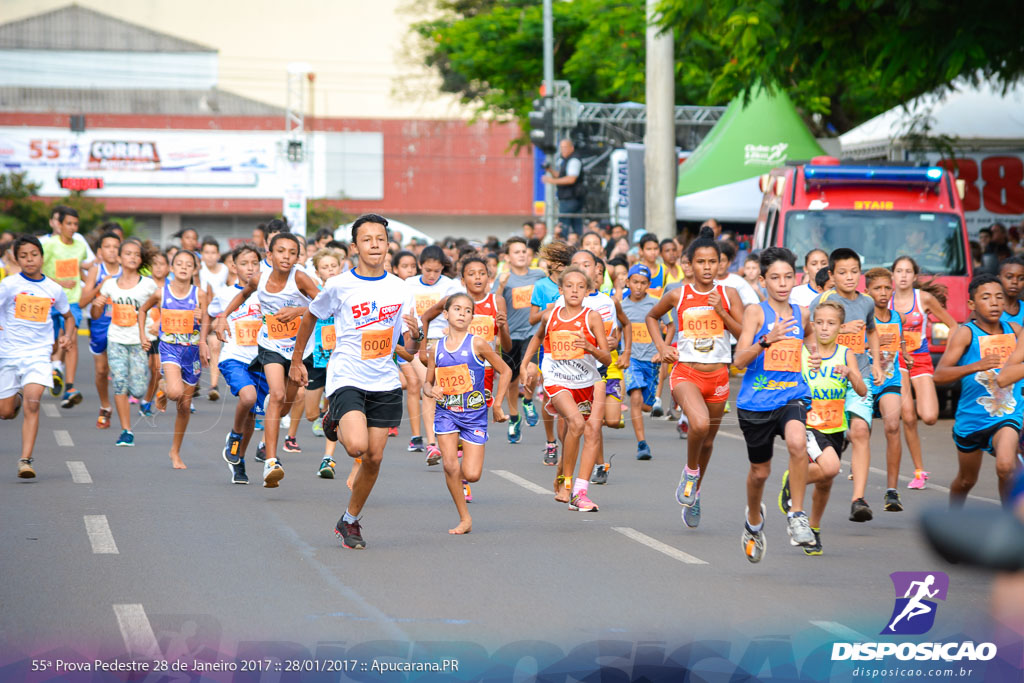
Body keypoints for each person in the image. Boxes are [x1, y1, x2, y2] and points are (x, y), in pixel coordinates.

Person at [289, 213, 423, 550]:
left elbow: (409, 344)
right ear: (354, 247)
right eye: (367, 239)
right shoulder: (338, 285)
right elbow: (310, 317)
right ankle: (334, 415)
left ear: (388, 245)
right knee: (356, 447)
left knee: (374, 458)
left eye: (380, 238)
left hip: (384, 380)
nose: (375, 244)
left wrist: (418, 338)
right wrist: (295, 360)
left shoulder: (400, 288)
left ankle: (350, 520)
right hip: (347, 375)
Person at [648, 227, 744, 527]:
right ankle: (690, 473)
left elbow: (744, 334)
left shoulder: (729, 295)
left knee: (708, 441)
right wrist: (662, 346)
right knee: (699, 424)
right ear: (690, 264)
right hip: (686, 372)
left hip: (718, 377)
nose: (706, 267)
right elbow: (652, 317)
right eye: (700, 262)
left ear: (721, 264)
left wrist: (723, 313)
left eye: (712, 262)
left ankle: (695, 492)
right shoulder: (679, 294)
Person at [734, 247, 818, 562]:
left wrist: (814, 349)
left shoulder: (802, 312)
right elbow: (739, 360)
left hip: (791, 396)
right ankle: (753, 521)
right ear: (763, 281)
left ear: (795, 279)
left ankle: (797, 514)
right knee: (760, 471)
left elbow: (810, 337)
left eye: (787, 277)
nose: (782, 283)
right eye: (775, 278)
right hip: (755, 403)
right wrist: (766, 340)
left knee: (798, 442)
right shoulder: (756, 312)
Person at [220, 233, 319, 486]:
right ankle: (271, 461)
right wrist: (223, 316)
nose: (286, 256)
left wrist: (298, 310)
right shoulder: (259, 279)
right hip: (270, 345)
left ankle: (268, 427)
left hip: (299, 350)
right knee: (275, 396)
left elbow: (324, 303)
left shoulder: (300, 278)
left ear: (297, 257)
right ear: (270, 255)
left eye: (292, 252)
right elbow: (243, 294)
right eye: (281, 251)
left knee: (285, 405)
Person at [522, 266, 611, 510]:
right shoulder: (550, 315)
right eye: (569, 286)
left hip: (584, 382)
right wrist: (525, 363)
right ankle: (569, 486)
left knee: (578, 428)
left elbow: (607, 359)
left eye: (580, 287)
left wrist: (590, 348)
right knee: (577, 424)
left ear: (588, 291)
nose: (574, 290)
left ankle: (566, 477)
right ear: (560, 290)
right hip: (555, 378)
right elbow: (538, 337)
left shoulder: (592, 317)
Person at [423, 293, 511, 533]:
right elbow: (427, 384)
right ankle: (465, 518)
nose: (462, 313)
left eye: (468, 310)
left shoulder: (478, 344)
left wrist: (498, 404)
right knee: (450, 466)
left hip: (474, 415)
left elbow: (506, 370)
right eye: (457, 309)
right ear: (446, 314)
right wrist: (433, 390)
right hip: (446, 413)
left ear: (473, 316)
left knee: (471, 475)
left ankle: (461, 460)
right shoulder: (436, 348)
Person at [789, 299, 868, 555]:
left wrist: (850, 373)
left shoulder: (846, 354)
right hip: (809, 425)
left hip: (836, 427)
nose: (824, 328)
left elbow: (862, 390)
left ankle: (814, 529)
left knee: (825, 482)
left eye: (831, 324)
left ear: (840, 327)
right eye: (819, 322)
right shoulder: (803, 353)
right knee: (831, 467)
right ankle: (792, 482)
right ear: (813, 324)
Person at [810, 248, 884, 522]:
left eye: (854, 272)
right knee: (837, 434)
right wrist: (841, 329)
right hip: (829, 378)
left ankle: (858, 500)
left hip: (858, 373)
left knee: (862, 430)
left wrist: (876, 363)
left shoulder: (866, 302)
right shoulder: (823, 300)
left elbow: (873, 331)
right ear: (831, 274)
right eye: (842, 272)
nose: (849, 277)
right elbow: (810, 335)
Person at [937, 273, 1022, 504]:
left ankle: (1010, 525)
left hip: (1007, 413)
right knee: (966, 480)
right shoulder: (966, 333)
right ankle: (953, 521)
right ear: (972, 305)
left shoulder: (1014, 331)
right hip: (972, 418)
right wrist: (976, 366)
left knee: (1006, 466)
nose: (994, 303)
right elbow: (940, 375)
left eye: (998, 297)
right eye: (986, 298)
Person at [0, 235, 76, 478]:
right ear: (16, 258)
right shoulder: (9, 285)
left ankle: (25, 460)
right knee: (5, 412)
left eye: (34, 254)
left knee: (35, 401)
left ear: (42, 257)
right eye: (23, 256)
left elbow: (68, 316)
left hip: (38, 354)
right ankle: (17, 398)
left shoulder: (53, 288)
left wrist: (68, 336)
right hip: (9, 353)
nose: (29, 259)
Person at [890, 255, 959, 490]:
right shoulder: (885, 301)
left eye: (908, 271)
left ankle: (919, 469)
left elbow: (953, 325)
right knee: (908, 416)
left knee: (929, 417)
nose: (903, 276)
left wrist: (949, 356)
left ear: (914, 276)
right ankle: (919, 471)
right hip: (896, 360)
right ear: (892, 276)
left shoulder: (924, 299)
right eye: (899, 271)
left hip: (920, 360)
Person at [138, 250, 210, 468]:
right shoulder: (162, 293)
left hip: (192, 352)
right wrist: (143, 335)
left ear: (195, 269)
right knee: (175, 392)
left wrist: (203, 336)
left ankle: (175, 451)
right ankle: (163, 387)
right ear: (172, 267)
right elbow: (141, 310)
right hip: (169, 349)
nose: (184, 267)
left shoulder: (200, 294)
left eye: (189, 264)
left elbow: (206, 319)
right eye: (179, 263)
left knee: (184, 406)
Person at [209, 244, 268, 484]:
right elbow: (212, 320)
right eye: (244, 264)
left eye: (255, 263)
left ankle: (239, 460)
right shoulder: (224, 294)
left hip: (261, 358)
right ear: (234, 267)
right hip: (234, 357)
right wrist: (214, 329)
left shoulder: (266, 292)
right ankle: (234, 435)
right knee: (248, 398)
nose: (250, 268)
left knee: (253, 415)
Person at [614, 264, 673, 482]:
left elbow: (671, 325)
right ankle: (642, 443)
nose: (638, 287)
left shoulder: (655, 304)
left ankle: (655, 405)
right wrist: (619, 350)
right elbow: (618, 330)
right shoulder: (622, 305)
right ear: (627, 282)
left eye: (643, 283)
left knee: (647, 403)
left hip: (652, 361)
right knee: (636, 398)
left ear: (649, 285)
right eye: (634, 282)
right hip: (632, 361)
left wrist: (663, 348)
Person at [96, 239, 156, 447]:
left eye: (136, 254)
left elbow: (160, 307)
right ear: (119, 258)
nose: (132, 257)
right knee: (120, 383)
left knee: (138, 389)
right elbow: (96, 314)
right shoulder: (109, 284)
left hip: (139, 340)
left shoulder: (148, 284)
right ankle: (126, 430)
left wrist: (155, 325)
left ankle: (136, 396)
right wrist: (98, 304)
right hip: (116, 340)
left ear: (141, 259)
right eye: (128, 253)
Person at [408, 245, 464, 465]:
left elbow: (460, 310)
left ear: (443, 268)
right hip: (421, 343)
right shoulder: (409, 285)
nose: (432, 275)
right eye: (428, 270)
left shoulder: (451, 286)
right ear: (420, 265)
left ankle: (452, 437)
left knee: (449, 391)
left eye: (437, 271)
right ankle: (432, 444)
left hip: (446, 343)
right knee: (429, 388)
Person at [864, 268, 909, 511]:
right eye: (877, 288)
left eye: (886, 288)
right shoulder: (861, 318)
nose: (883, 293)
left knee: (893, 426)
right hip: (864, 381)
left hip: (889, 380)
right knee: (861, 431)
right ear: (867, 291)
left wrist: (907, 356)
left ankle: (892, 491)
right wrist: (868, 342)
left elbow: (900, 345)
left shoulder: (897, 318)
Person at [494, 237, 546, 442]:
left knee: (531, 370)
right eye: (516, 252)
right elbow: (494, 302)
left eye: (524, 251)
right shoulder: (503, 278)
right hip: (510, 334)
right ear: (507, 257)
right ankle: (514, 417)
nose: (522, 254)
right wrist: (501, 287)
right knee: (512, 379)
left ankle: (528, 400)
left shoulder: (539, 275)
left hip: (533, 332)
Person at [530, 240, 576, 464]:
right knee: (550, 396)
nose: (558, 265)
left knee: (569, 395)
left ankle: (567, 441)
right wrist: (548, 310)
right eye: (554, 260)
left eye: (562, 261)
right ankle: (551, 443)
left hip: (572, 348)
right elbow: (532, 319)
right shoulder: (541, 286)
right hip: (548, 347)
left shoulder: (574, 285)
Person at [41, 206, 87, 408]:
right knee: (52, 343)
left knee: (72, 340)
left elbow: (79, 269)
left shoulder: (80, 246)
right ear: (59, 224)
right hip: (50, 300)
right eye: (69, 223)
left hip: (72, 301)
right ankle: (55, 367)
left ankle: (69, 387)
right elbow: (39, 273)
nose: (72, 227)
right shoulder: (48, 245)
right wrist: (58, 283)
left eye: (75, 224)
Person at [79, 230, 121, 429]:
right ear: (100, 251)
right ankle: (105, 405)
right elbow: (82, 302)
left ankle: (125, 411)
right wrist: (101, 286)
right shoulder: (97, 271)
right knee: (101, 370)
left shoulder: (127, 269)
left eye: (115, 247)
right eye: (108, 247)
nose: (112, 251)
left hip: (123, 326)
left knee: (121, 370)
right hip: (99, 325)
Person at [391, 250, 425, 450]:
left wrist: (417, 333)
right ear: (395, 269)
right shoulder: (393, 289)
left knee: (418, 385)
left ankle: (419, 437)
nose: (410, 270)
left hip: (410, 343)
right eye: (405, 266)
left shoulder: (415, 289)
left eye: (413, 266)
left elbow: (421, 323)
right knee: (409, 383)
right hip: (386, 347)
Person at [199, 237, 228, 401]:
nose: (210, 256)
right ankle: (193, 383)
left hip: (218, 314)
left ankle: (213, 385)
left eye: (213, 252)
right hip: (200, 312)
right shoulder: (198, 269)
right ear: (202, 254)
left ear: (218, 254)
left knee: (215, 344)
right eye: (206, 252)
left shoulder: (224, 269)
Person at [139, 251, 167, 417]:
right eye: (155, 264)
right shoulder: (144, 284)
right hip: (144, 332)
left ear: (168, 267)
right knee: (146, 369)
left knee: (156, 369)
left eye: (162, 264)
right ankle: (139, 394)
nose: (158, 268)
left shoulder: (171, 286)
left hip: (162, 334)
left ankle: (147, 401)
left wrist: (160, 322)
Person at [543, 139, 586, 237]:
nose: (563, 150)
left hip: (570, 198)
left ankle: (564, 243)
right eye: (561, 148)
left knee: (564, 224)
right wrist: (550, 171)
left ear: (572, 148)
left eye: (565, 147)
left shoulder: (574, 160)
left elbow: (571, 179)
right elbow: (562, 175)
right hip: (569, 197)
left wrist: (551, 181)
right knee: (575, 224)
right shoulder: (565, 160)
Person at [999, 256, 1024, 327]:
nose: (1015, 282)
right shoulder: (987, 308)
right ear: (999, 279)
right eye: (1009, 277)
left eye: (1021, 278)